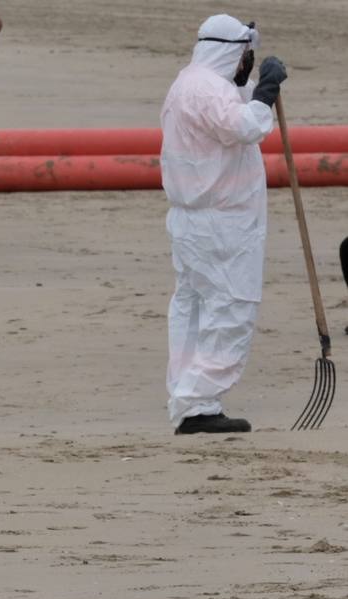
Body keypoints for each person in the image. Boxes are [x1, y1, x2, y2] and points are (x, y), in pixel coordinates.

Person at [162, 16, 287, 434]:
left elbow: (232, 114)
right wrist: (266, 92)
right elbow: (245, 125)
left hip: (195, 219)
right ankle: (198, 403)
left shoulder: (191, 82)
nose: (245, 66)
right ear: (232, 53)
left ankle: (189, 396)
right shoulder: (208, 88)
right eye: (245, 58)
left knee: (195, 310)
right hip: (220, 221)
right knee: (231, 307)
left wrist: (256, 90)